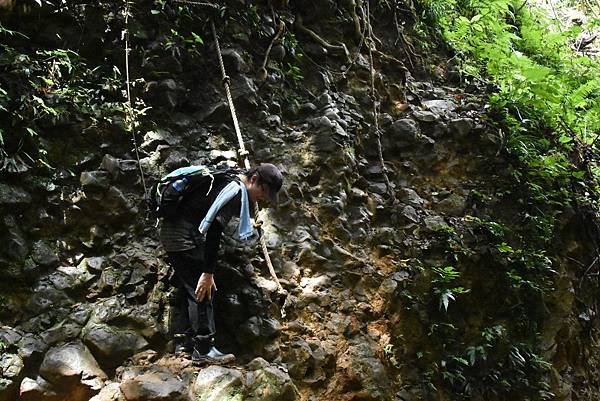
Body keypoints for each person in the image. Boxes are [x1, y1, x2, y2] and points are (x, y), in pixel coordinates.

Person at [159, 162, 283, 364]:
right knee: (202, 289)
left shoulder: (230, 180)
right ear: (253, 180)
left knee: (193, 286)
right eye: (264, 191)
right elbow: (215, 231)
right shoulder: (234, 191)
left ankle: (186, 344)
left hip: (179, 233)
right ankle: (204, 349)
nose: (264, 197)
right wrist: (208, 273)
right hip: (181, 236)